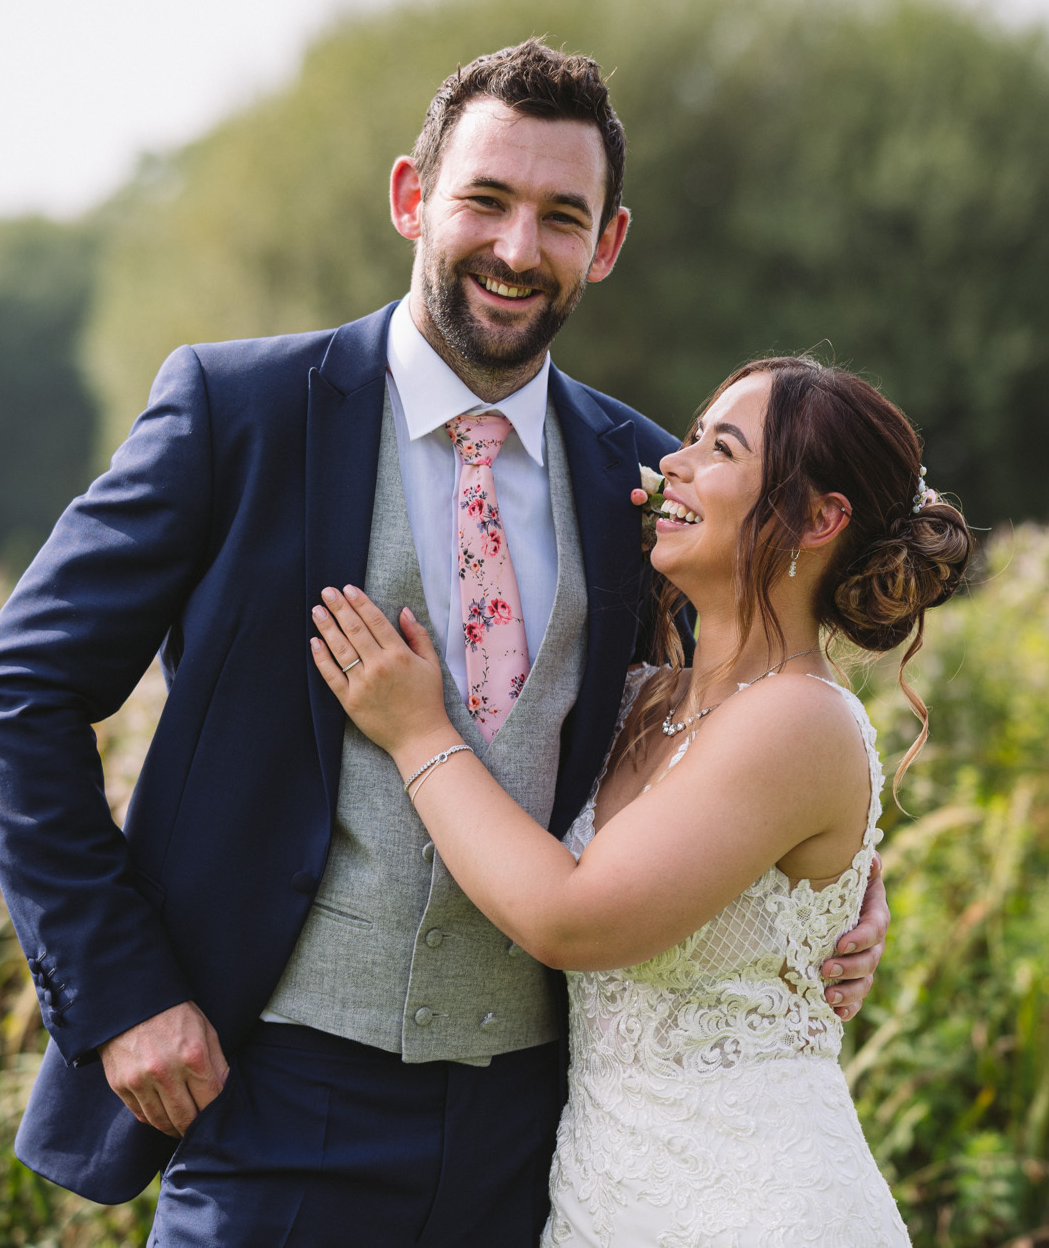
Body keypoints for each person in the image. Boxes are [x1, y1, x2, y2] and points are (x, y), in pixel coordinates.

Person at [0, 39, 891, 1246]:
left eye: (562, 216)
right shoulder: (235, 415)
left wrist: (830, 895)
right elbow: (16, 692)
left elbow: (733, 718)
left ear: (604, 245)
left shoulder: (641, 479)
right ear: (412, 197)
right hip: (276, 1098)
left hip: (543, 1136)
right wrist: (123, 991)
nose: (516, 249)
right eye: (485, 200)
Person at [308, 355, 972, 1244]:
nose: (673, 466)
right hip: (604, 1200)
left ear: (821, 518)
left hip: (755, 1207)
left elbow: (573, 919)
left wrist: (418, 733)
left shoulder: (803, 719)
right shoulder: (641, 700)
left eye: (720, 448)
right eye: (691, 438)